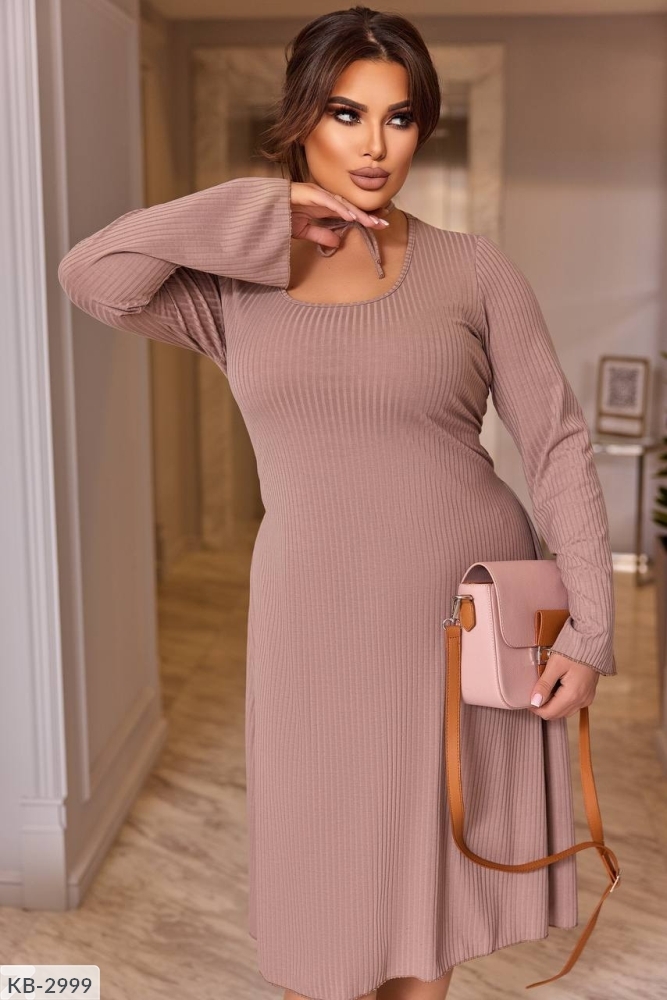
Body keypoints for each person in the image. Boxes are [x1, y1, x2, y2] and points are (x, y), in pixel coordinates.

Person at [57, 6, 617, 1000]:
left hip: (455, 619)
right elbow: (92, 275)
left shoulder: (473, 268)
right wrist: (262, 212)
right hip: (311, 623)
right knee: (321, 905)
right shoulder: (233, 287)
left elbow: (557, 442)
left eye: (398, 118)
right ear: (301, 118)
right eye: (345, 113)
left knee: (424, 902)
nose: (373, 145)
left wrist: (588, 630)